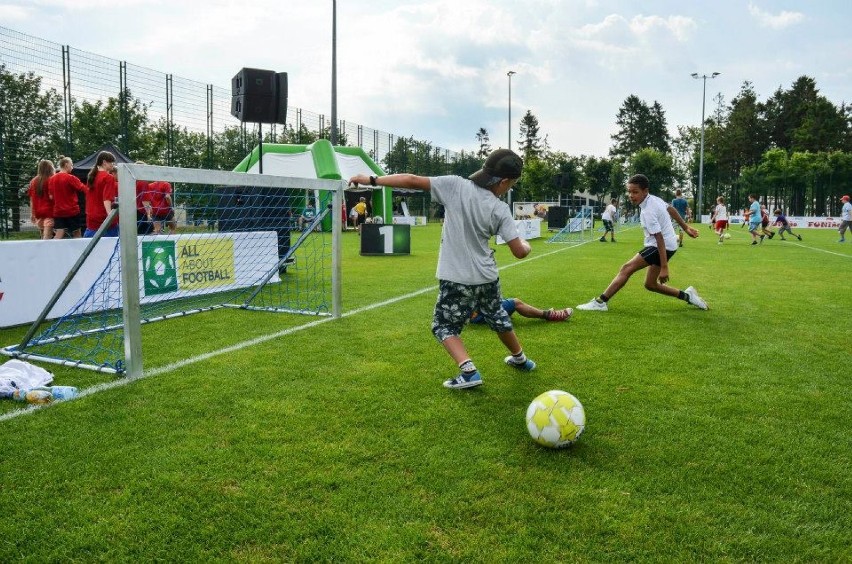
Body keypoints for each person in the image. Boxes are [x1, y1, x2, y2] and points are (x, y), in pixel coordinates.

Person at [348, 148, 535, 390]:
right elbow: (519, 251)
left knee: (443, 325)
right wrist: (527, 245)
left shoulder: (456, 185)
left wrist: (371, 180)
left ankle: (469, 371)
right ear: (505, 182)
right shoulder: (500, 209)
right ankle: (520, 359)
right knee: (499, 318)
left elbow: (412, 180)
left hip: (456, 277)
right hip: (487, 278)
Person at [576, 174, 708, 312]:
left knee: (626, 268)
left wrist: (664, 267)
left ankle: (600, 302)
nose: (631, 195)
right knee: (650, 284)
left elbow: (659, 239)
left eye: (635, 192)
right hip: (668, 245)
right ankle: (688, 296)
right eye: (629, 191)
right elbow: (670, 209)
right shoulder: (654, 199)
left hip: (661, 246)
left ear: (645, 191)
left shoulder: (648, 212)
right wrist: (685, 227)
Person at [49, 156, 86, 239]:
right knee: (77, 233)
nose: (72, 167)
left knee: (59, 233)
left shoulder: (52, 179)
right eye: (71, 165)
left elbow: (51, 196)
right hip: (72, 211)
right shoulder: (71, 178)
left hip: (58, 211)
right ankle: (80, 251)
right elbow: (83, 188)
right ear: (66, 165)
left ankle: (53, 250)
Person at [84, 151, 119, 237]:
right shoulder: (108, 177)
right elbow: (106, 199)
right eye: (111, 162)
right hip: (104, 219)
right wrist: (110, 217)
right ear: (104, 162)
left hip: (91, 218)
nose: (113, 164)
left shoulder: (92, 176)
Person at [470, 298, 572, 324]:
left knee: (504, 299)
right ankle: (549, 315)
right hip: (478, 312)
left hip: (478, 307)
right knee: (516, 303)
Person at [28, 159, 55, 239]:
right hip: (49, 212)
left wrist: (32, 214)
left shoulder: (33, 181)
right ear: (50, 168)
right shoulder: (51, 180)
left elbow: (31, 199)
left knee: (42, 237)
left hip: (38, 213)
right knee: (46, 238)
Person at [134, 161, 154, 235]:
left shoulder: (133, 181)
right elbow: (144, 200)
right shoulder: (143, 182)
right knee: (147, 236)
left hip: (134, 212)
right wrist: (148, 215)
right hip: (141, 213)